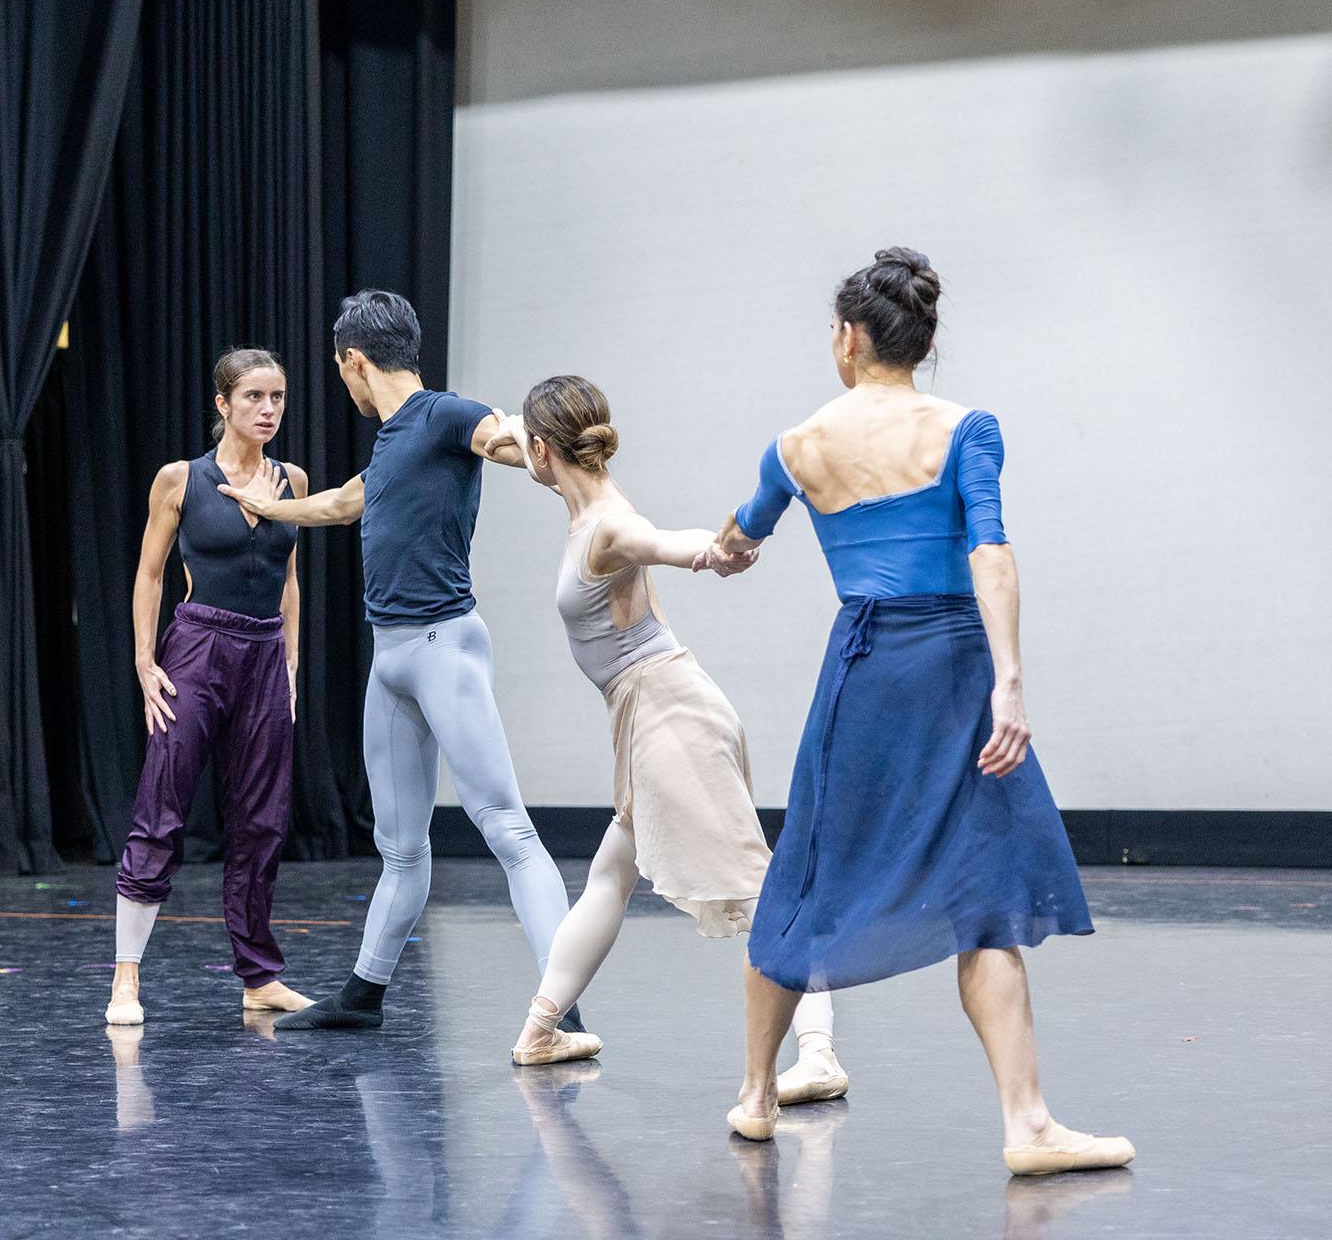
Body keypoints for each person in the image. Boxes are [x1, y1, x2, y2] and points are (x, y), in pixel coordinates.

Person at [707, 248, 1134, 1175]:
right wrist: (1010, 681)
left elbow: (742, 535)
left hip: (861, 674)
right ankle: (1026, 1125)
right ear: (922, 340)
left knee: (808, 875)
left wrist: (711, 550)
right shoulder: (965, 429)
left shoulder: (797, 445)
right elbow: (991, 551)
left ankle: (754, 1093)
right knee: (986, 892)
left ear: (851, 339)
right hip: (953, 674)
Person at [482, 376, 847, 1104]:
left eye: (531, 443)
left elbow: (665, 543)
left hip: (672, 715)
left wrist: (713, 553)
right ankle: (541, 1029)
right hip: (642, 713)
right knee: (613, 873)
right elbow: (501, 432)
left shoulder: (610, 524)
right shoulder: (573, 489)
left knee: (756, 888)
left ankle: (818, 1052)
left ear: (548, 450)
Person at [219, 290, 576, 1032]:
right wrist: (266, 505)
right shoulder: (391, 441)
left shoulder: (445, 414)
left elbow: (500, 438)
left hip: (445, 647)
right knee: (401, 849)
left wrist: (541, 443)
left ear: (353, 361)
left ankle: (563, 1010)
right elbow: (346, 503)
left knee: (507, 830)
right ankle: (363, 996)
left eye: (340, 371)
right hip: (393, 662)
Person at [105, 348, 315, 1025]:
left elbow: (288, 583)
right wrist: (145, 662)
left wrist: (289, 667)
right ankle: (126, 978)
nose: (268, 410)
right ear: (222, 404)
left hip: (261, 656)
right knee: (163, 806)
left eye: (277, 398)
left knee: (261, 820)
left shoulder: (293, 479)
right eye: (254, 397)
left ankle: (258, 977)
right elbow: (149, 574)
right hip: (197, 647)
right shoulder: (181, 479)